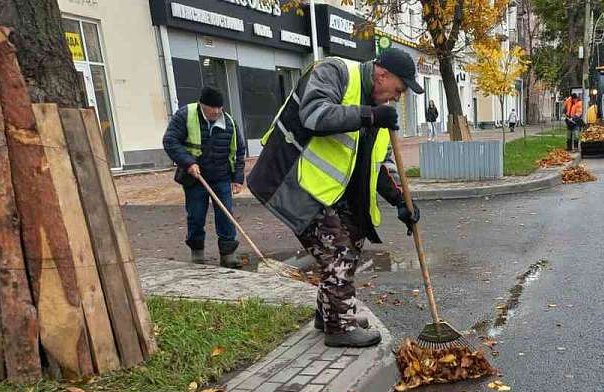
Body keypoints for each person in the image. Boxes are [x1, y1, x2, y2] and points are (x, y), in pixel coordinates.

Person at [247, 48, 423, 348]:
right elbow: (314, 115)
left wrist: (400, 202)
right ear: (382, 75)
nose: (396, 98)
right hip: (292, 181)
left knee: (353, 241)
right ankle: (338, 328)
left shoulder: (379, 110)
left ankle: (329, 313)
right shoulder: (336, 72)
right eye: (397, 90)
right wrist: (369, 116)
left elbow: (375, 166)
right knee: (337, 251)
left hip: (325, 190)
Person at [163, 87, 246, 268]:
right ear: (202, 105)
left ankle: (228, 255)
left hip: (221, 177)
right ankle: (197, 254)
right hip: (195, 178)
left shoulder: (230, 123)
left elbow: (239, 151)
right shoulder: (185, 115)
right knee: (196, 216)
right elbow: (170, 141)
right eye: (211, 108)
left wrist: (238, 179)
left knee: (226, 215)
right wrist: (188, 162)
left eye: (219, 108)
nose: (216, 111)